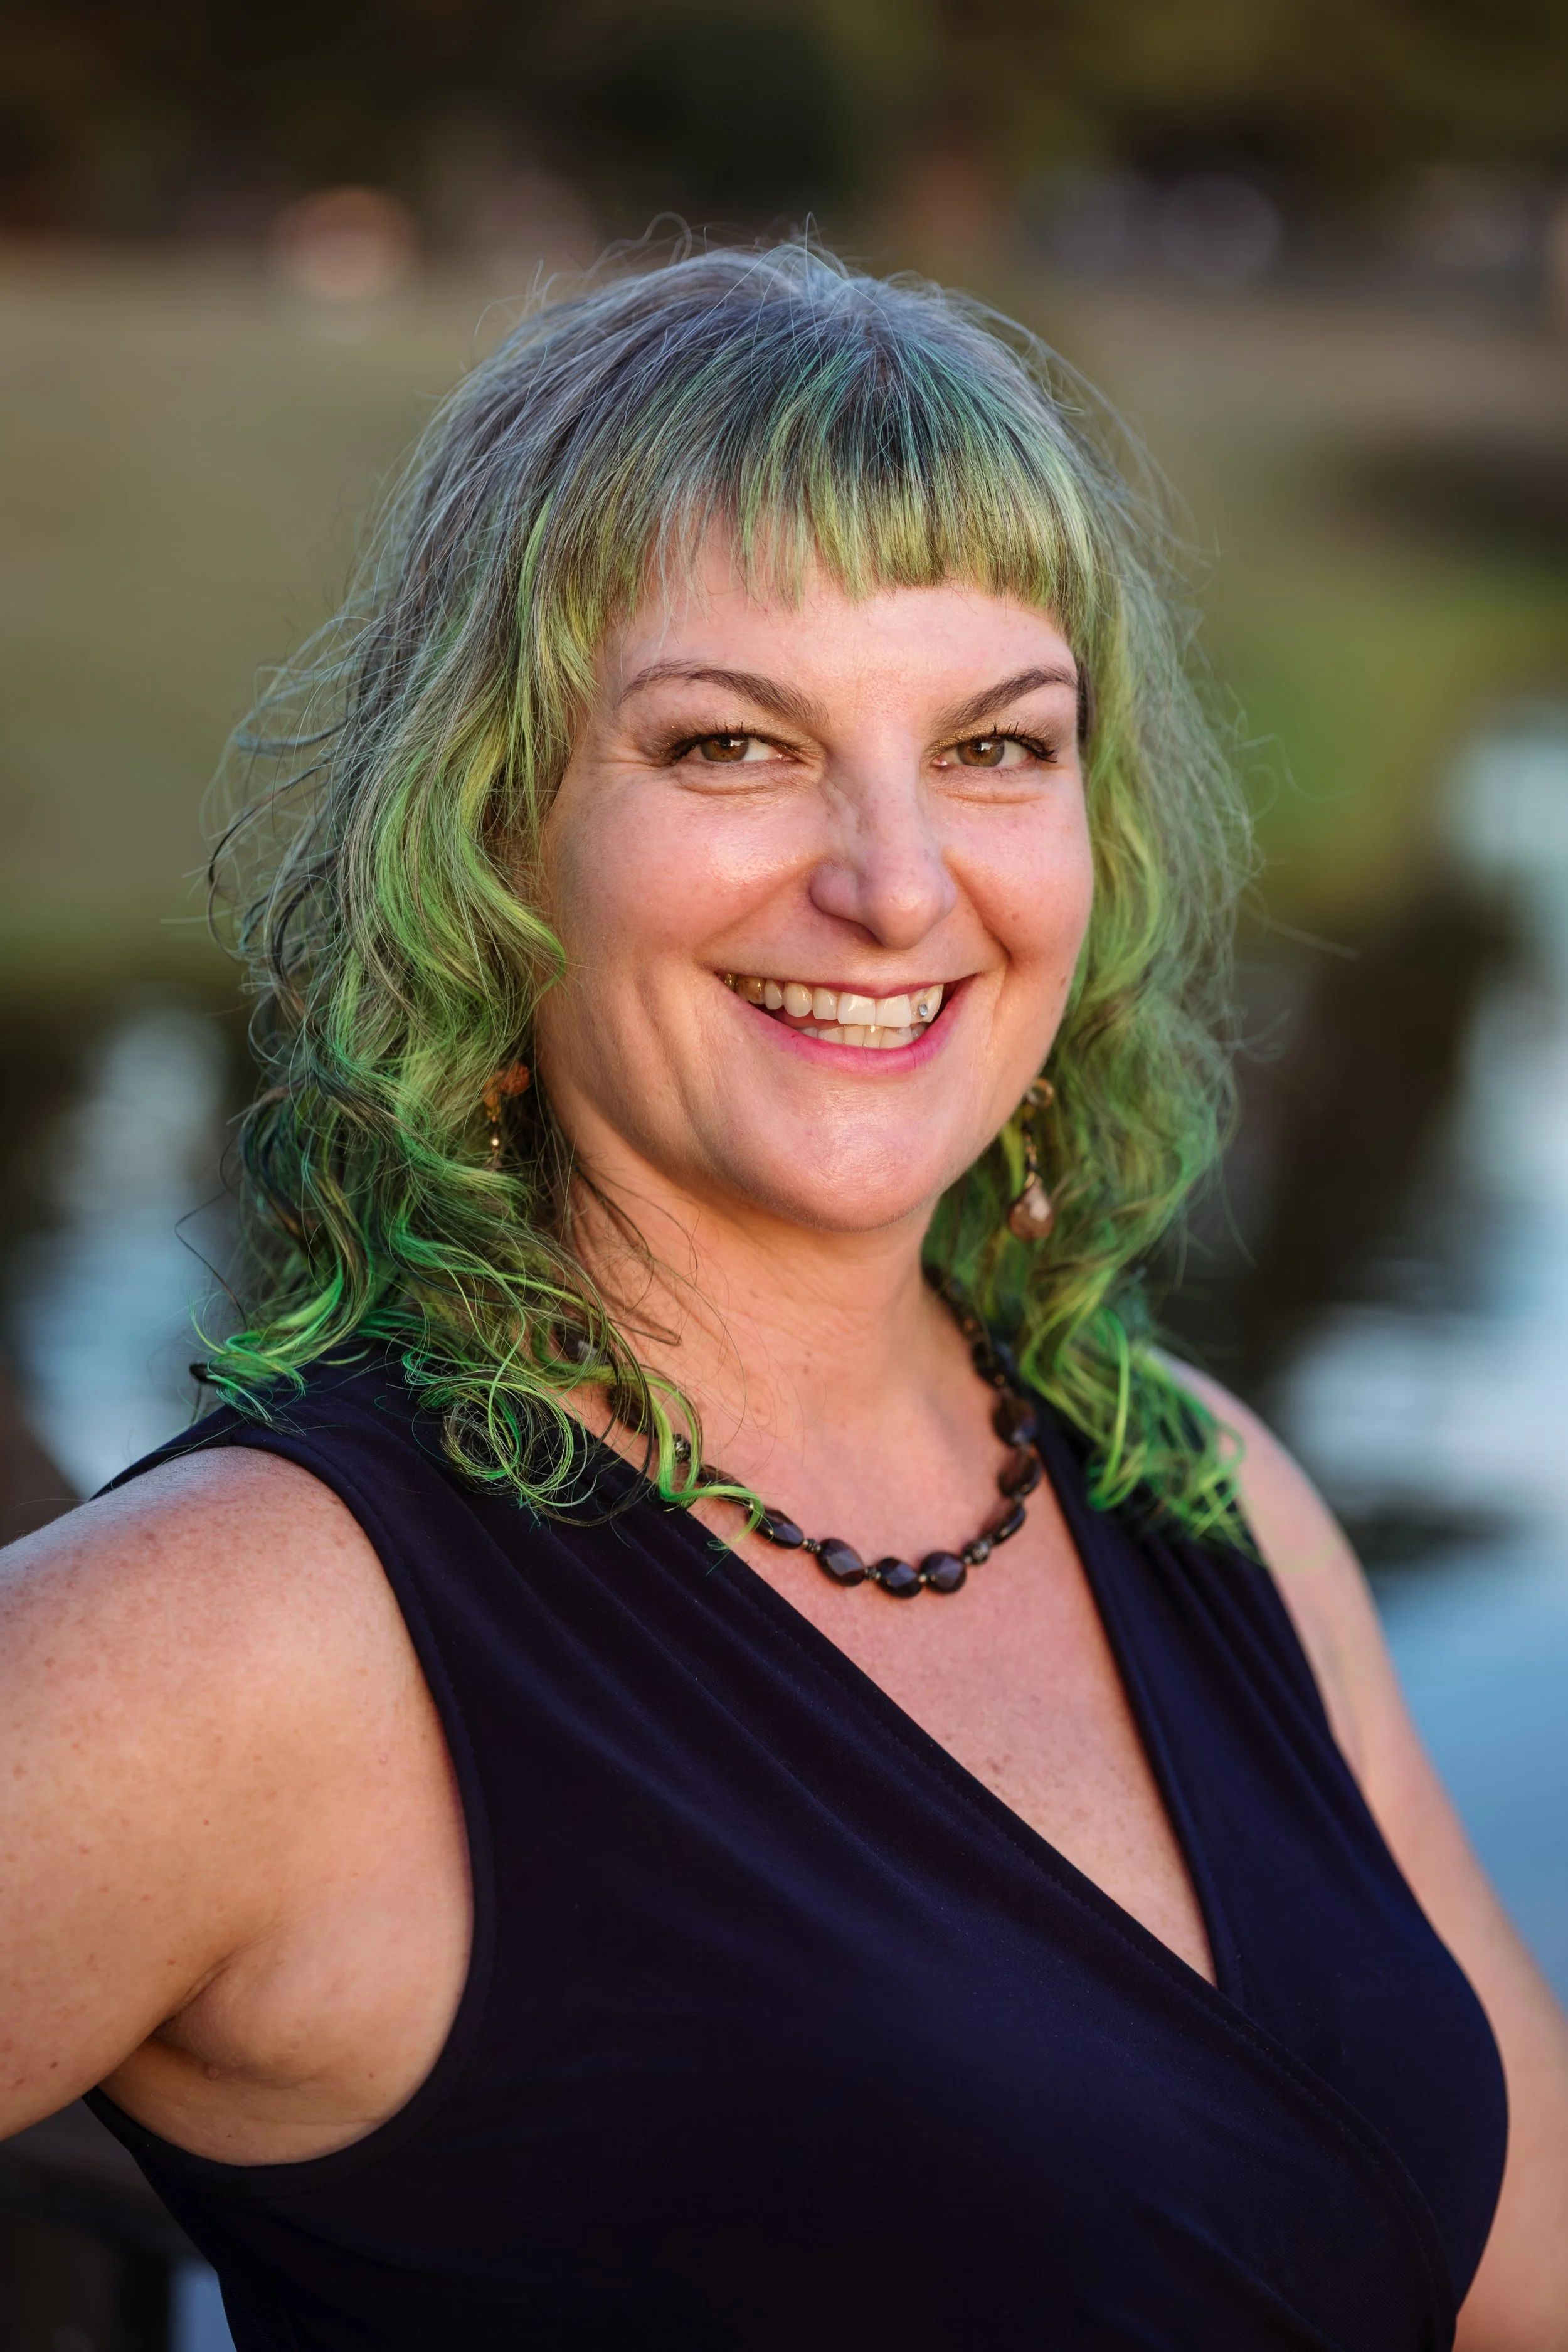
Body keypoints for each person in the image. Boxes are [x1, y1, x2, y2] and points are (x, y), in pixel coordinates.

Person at [2, 243, 1564, 2352]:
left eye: (997, 749)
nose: (898, 881)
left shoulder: (1206, 1496)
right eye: (735, 744)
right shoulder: (255, 1631)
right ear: (491, 823)